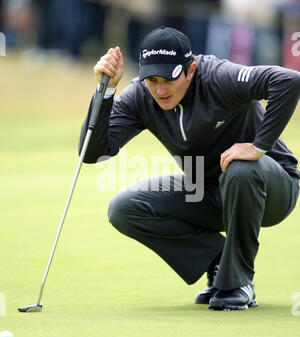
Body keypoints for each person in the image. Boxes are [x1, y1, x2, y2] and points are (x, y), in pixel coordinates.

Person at [79, 26, 300, 311]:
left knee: (241, 169)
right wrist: (105, 91)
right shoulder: (141, 96)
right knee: (124, 208)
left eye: (169, 79)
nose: (160, 90)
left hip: (272, 189)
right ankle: (219, 259)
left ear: (191, 69)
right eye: (152, 80)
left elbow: (288, 81)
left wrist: (258, 146)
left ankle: (238, 282)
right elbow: (93, 152)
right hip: (207, 190)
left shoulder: (219, 77)